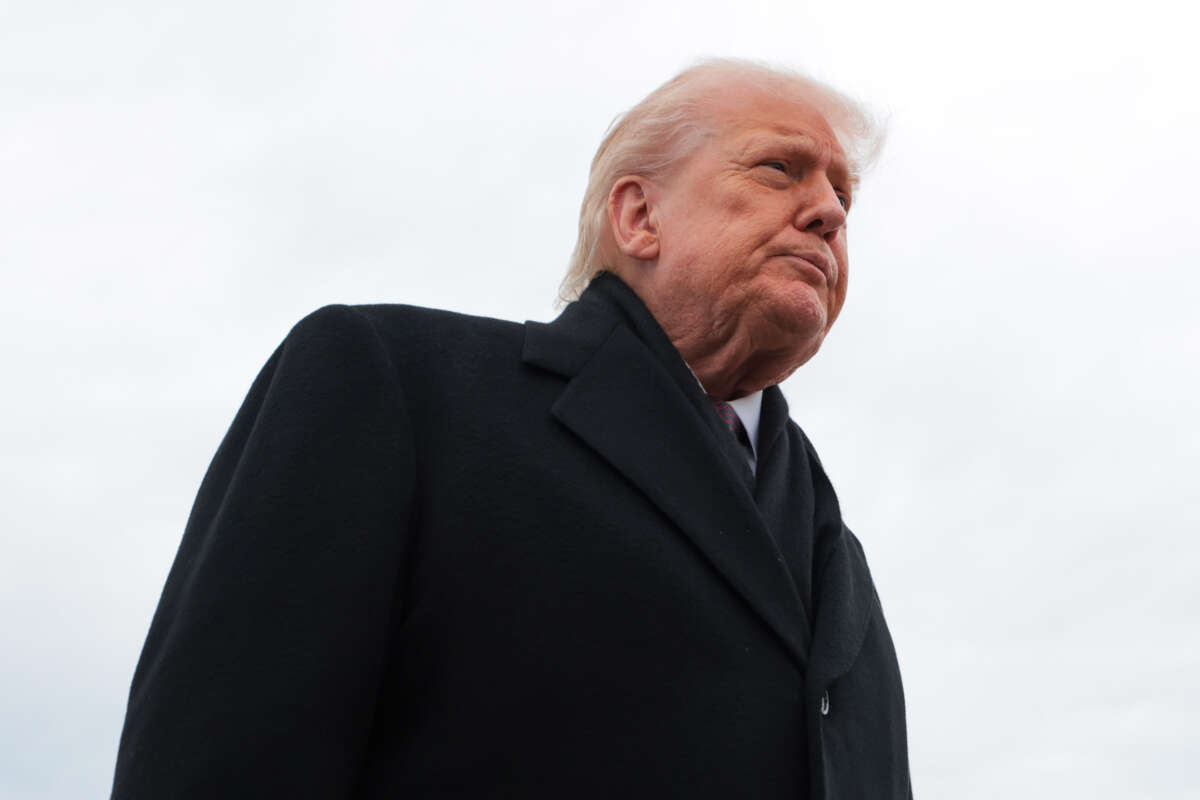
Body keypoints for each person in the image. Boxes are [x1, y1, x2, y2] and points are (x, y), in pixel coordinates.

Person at [112, 58, 912, 799]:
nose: (828, 213)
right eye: (781, 169)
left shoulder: (837, 554)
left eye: (845, 197)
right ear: (639, 216)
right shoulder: (397, 386)